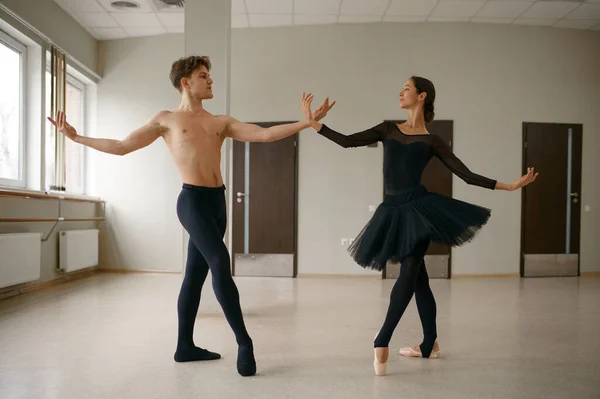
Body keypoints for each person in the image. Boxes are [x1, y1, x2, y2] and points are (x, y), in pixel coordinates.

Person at [48, 54, 334, 377]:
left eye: (209, 75)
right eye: (203, 75)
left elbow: (264, 135)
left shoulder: (219, 122)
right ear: (186, 83)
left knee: (194, 276)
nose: (210, 79)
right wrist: (75, 138)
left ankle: (184, 346)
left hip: (218, 204)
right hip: (192, 203)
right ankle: (244, 343)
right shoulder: (166, 120)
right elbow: (121, 145)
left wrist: (306, 123)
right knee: (220, 262)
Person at [301, 76, 537, 376]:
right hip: (392, 210)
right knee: (420, 282)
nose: (400, 92)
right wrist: (315, 124)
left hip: (420, 210)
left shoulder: (432, 141)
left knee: (409, 273)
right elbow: (348, 141)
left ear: (422, 96)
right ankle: (429, 345)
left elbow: (465, 174)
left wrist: (510, 185)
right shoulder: (387, 128)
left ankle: (382, 339)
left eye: (406, 88)